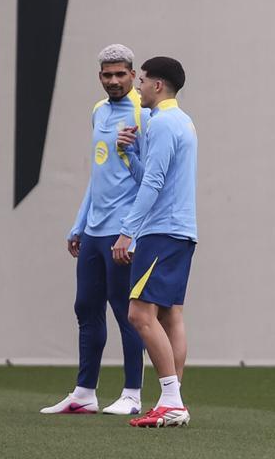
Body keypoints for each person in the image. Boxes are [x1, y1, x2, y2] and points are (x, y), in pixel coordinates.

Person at [42, 45, 148, 416]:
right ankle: (85, 392)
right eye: (108, 75)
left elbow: (148, 179)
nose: (114, 81)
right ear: (100, 77)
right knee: (86, 308)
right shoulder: (98, 111)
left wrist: (131, 232)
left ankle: (133, 394)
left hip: (123, 231)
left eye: (121, 74)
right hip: (94, 231)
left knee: (127, 312)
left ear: (134, 76)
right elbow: (98, 175)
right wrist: (79, 223)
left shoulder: (142, 112)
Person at [111, 56, 198, 428]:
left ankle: (172, 401)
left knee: (138, 314)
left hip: (161, 231)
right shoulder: (183, 121)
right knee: (169, 314)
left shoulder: (163, 124)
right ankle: (172, 399)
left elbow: (153, 183)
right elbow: (155, 175)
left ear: (157, 86)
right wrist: (129, 154)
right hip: (180, 230)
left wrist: (128, 230)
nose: (137, 86)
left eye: (142, 80)